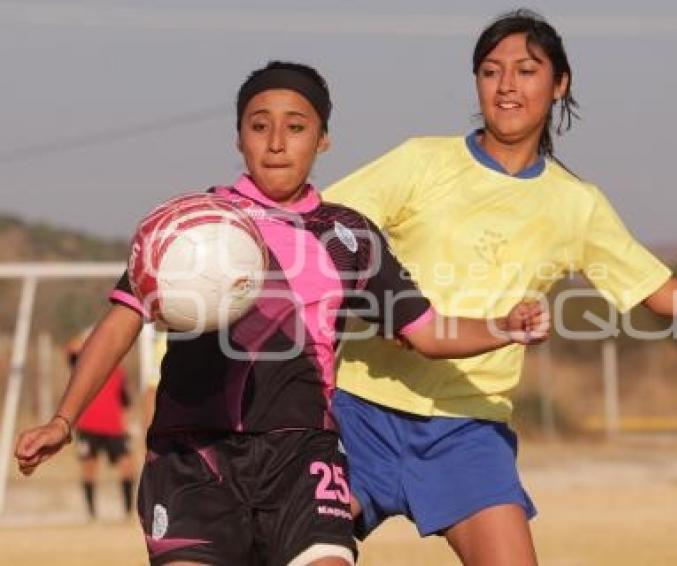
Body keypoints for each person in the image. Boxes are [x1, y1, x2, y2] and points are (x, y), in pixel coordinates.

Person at [321, 9, 677, 565]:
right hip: (360, 409)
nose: (507, 86)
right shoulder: (422, 160)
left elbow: (662, 293)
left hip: (467, 428)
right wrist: (381, 308)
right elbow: (325, 226)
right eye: (491, 71)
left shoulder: (576, 204)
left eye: (526, 70)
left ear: (560, 82)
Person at [14, 61, 549, 566]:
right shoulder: (193, 225)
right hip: (193, 457)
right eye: (258, 125)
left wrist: (505, 327)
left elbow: (425, 331)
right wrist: (65, 419)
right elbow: (120, 322)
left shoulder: (350, 236)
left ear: (322, 140)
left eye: (295, 127)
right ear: (238, 136)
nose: (275, 143)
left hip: (302, 457)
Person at [66, 328, 135, 520]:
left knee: (127, 467)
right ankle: (91, 514)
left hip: (114, 428)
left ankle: (128, 512)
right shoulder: (82, 365)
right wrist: (89, 338)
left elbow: (125, 401)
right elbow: (71, 348)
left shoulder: (119, 371)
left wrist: (128, 426)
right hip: (88, 426)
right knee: (89, 468)